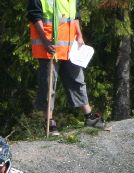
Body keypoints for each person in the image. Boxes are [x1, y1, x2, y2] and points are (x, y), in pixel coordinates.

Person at [27, 0, 109, 133]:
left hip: (70, 48)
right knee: (48, 84)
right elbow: (35, 17)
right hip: (49, 48)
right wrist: (45, 41)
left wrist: (80, 36)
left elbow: (75, 17)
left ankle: (89, 117)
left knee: (77, 79)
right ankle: (49, 122)